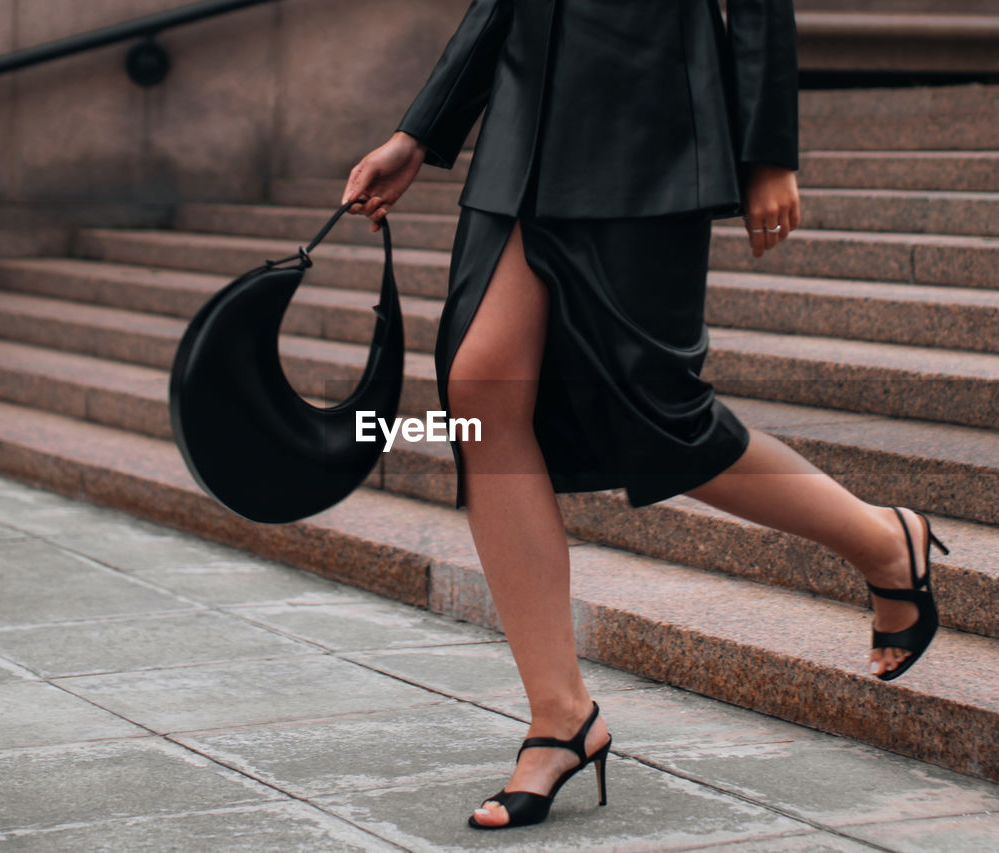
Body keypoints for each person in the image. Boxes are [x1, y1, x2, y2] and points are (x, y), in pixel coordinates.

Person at [341, 0, 949, 831]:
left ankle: (883, 539)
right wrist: (421, 130)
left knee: (665, 415)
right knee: (479, 389)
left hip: (648, 120)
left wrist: (765, 150)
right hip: (525, 124)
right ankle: (560, 717)